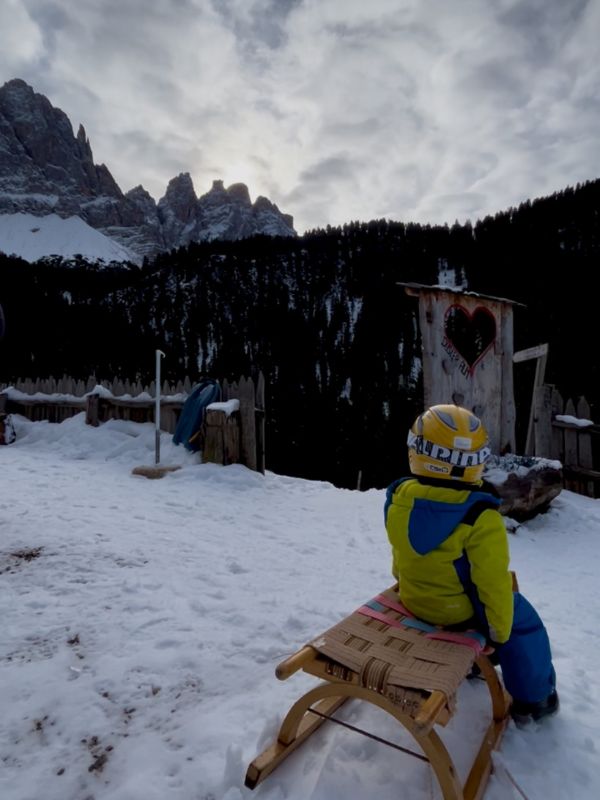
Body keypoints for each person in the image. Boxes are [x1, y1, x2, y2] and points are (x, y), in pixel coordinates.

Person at [384, 404, 558, 724]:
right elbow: (491, 583)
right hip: (458, 613)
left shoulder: (399, 497)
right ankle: (535, 697)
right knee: (522, 621)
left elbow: (400, 556)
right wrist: (497, 636)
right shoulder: (481, 517)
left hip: (413, 599)